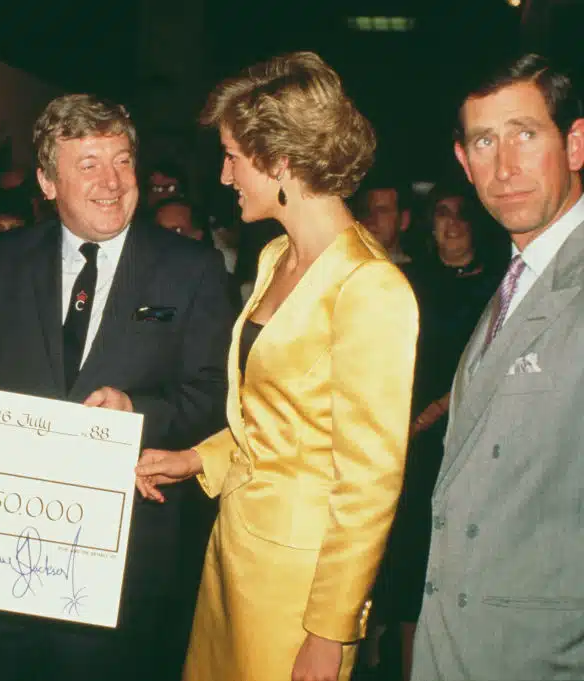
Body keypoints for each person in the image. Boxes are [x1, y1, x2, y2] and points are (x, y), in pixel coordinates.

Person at [135, 51, 419, 681]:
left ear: (280, 160)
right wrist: (195, 459)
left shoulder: (370, 287)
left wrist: (329, 631)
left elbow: (370, 482)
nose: (225, 174)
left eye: (233, 156)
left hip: (299, 585)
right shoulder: (274, 259)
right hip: (233, 553)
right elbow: (274, 419)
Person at [0, 93, 234, 681]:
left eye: (122, 161)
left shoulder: (192, 268)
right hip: (0, 546)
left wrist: (136, 410)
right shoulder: (4, 258)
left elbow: (215, 395)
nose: (112, 182)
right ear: (47, 181)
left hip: (121, 557)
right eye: (89, 165)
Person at [411, 52, 584, 681]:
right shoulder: (514, 283)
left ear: (575, 143)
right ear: (464, 161)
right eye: (485, 142)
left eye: (525, 134)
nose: (504, 167)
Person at [373, 182, 502, 680]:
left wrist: (440, 409)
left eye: (461, 214)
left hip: (471, 438)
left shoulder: (499, 284)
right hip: (410, 443)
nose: (451, 223)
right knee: (410, 569)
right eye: (442, 213)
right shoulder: (408, 281)